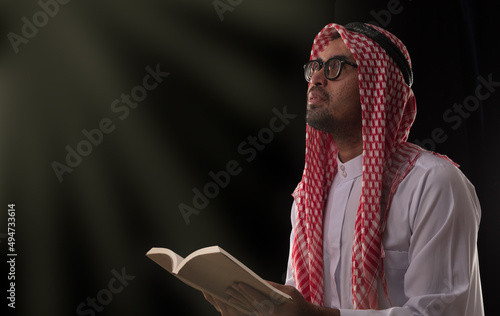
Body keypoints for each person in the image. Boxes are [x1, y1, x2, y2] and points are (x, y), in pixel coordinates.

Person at [203, 22, 484, 315]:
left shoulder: (434, 183)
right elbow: (298, 301)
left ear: (379, 86)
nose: (317, 79)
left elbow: (442, 312)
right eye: (315, 67)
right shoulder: (308, 197)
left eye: (335, 66)